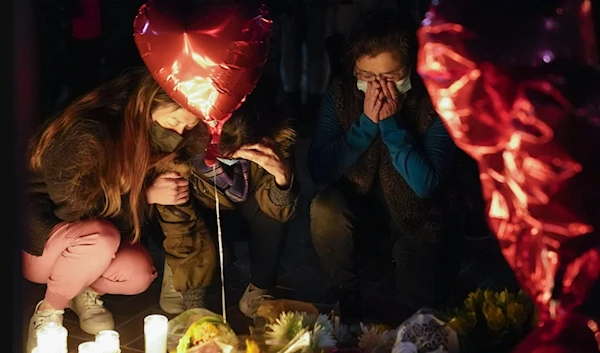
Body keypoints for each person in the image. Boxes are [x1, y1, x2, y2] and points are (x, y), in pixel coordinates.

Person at [307, 11, 482, 322]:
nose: (378, 87)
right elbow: (319, 169)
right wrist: (363, 127)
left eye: (389, 77)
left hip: (423, 220)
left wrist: (391, 124)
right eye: (368, 76)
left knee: (424, 309)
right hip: (364, 212)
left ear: (409, 69)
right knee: (325, 208)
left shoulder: (434, 98)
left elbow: (426, 184)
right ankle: (346, 293)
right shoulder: (341, 93)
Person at [23, 66, 202, 352]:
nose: (179, 134)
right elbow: (71, 208)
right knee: (101, 238)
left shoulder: (149, 137)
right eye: (173, 123)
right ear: (147, 104)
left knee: (140, 273)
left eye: (188, 128)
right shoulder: (90, 131)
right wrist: (145, 194)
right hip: (40, 243)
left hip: (89, 245)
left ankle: (85, 293)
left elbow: (126, 222)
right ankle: (49, 313)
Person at [149, 91, 299, 318]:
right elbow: (179, 222)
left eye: (240, 155)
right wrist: (194, 305)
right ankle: (180, 271)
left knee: (274, 208)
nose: (231, 160)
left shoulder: (271, 140)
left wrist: (282, 176)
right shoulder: (179, 148)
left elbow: (278, 211)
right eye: (224, 155)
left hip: (244, 213)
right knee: (212, 256)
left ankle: (258, 290)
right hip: (200, 213)